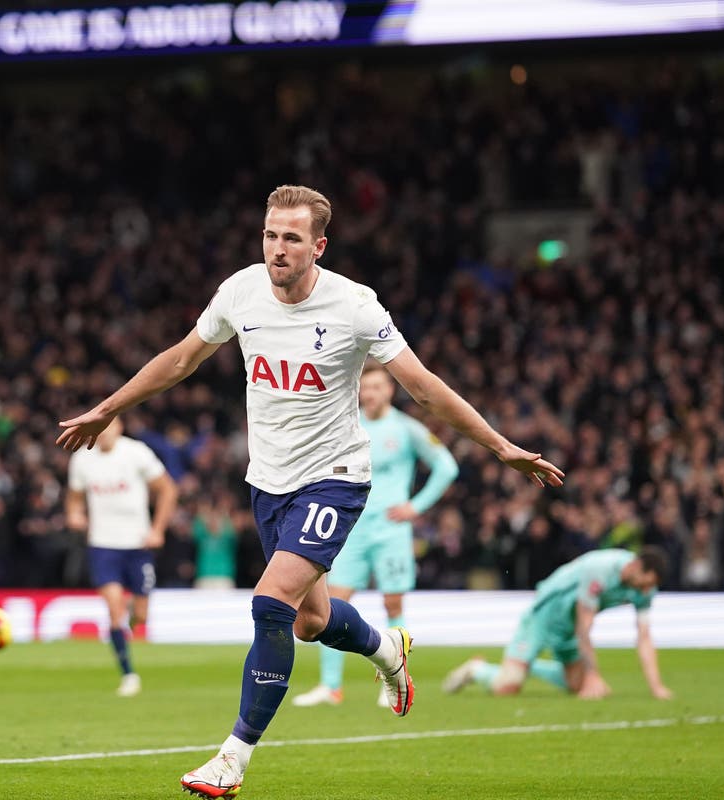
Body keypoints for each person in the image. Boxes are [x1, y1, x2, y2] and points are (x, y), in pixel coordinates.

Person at [57, 185, 564, 799]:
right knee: (310, 621)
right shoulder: (240, 291)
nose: (277, 248)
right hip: (269, 485)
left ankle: (232, 759)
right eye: (270, 235)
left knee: (269, 604)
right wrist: (106, 410)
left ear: (318, 246)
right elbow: (180, 361)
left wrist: (500, 446)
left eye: (291, 238)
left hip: (335, 480)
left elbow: (424, 388)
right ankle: (388, 655)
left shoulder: (355, 306)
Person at [293, 361, 459, 708]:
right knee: (331, 603)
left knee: (392, 603)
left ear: (390, 390)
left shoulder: (406, 428)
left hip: (391, 530)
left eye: (376, 387)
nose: (369, 393)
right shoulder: (348, 426)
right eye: (364, 387)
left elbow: (447, 466)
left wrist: (416, 506)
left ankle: (396, 680)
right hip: (351, 528)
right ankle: (331, 686)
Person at [442, 546, 673, 700]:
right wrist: (593, 674)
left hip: (568, 627)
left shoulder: (646, 590)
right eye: (644, 583)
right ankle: (477, 669)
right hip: (544, 616)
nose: (645, 590)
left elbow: (644, 637)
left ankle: (525, 665)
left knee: (577, 685)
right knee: (508, 686)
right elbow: (585, 627)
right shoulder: (601, 569)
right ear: (635, 567)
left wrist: (657, 687)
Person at [65, 416, 178, 696]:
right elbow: (74, 496)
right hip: (103, 545)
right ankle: (129, 675)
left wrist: (157, 529)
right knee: (114, 609)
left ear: (119, 428)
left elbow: (168, 489)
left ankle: (129, 618)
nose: (102, 434)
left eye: (108, 427)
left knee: (139, 617)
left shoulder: (136, 453)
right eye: (98, 429)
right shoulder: (82, 458)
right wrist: (74, 514)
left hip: (137, 545)